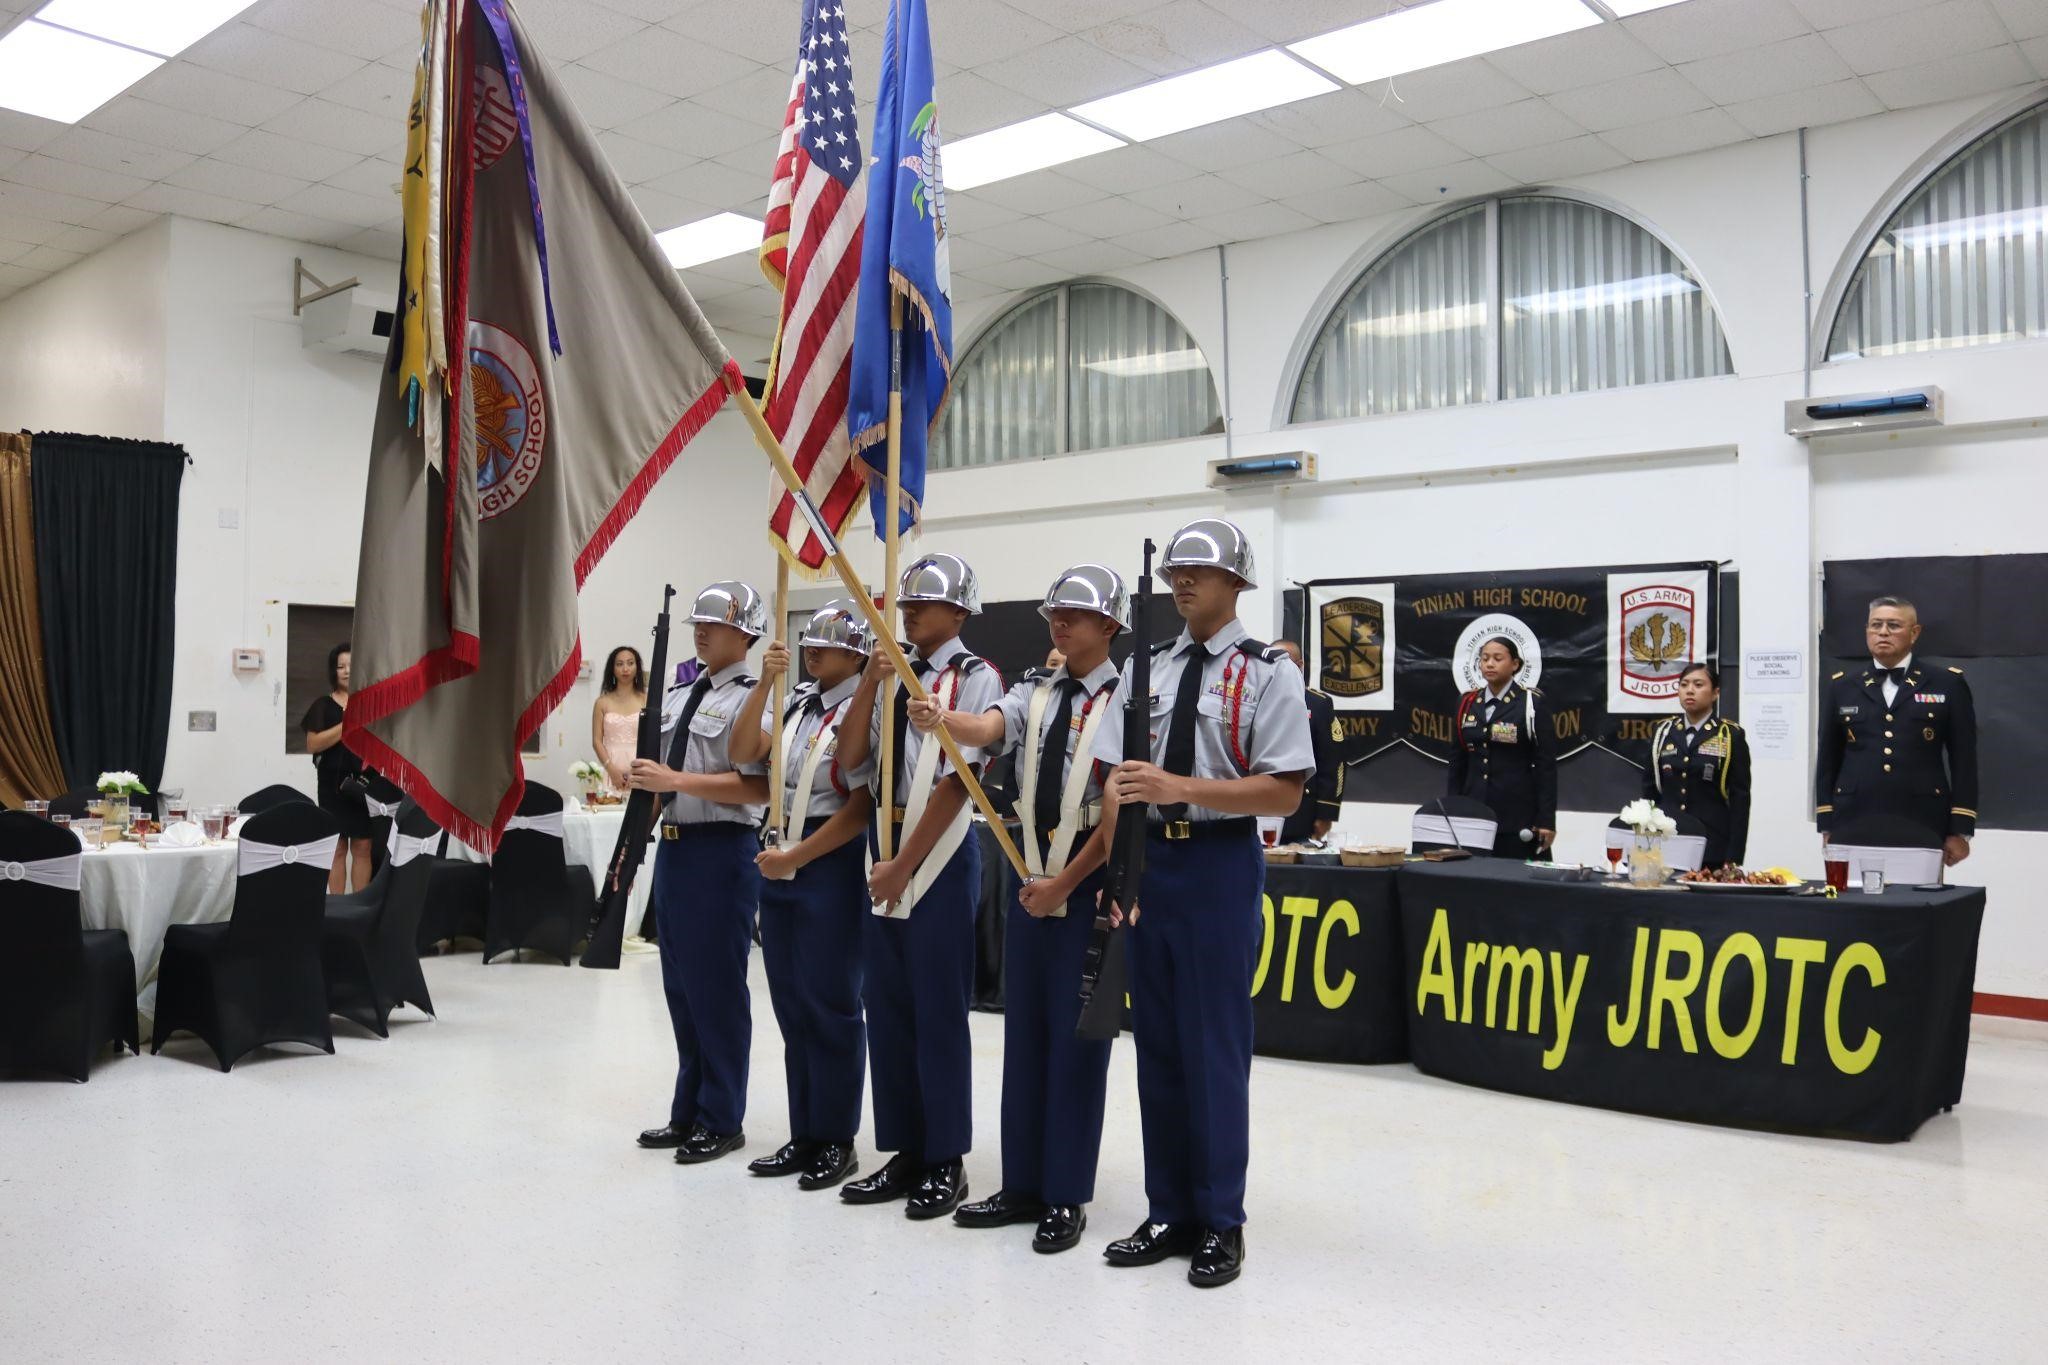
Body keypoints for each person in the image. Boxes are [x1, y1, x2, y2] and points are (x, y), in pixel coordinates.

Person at [1089, 518, 1312, 1290]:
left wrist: (1183, 788)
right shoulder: (1141, 667)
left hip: (1218, 863)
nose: (1184, 580)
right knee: (1157, 1045)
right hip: (1152, 864)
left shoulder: (1264, 673)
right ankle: (1168, 1208)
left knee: (1213, 1046)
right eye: (1177, 569)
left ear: (1238, 584)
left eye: (1202, 570)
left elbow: (1283, 787)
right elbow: (1114, 780)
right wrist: (1120, 876)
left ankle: (1221, 1219)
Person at [910, 564, 1127, 1255]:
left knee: (1074, 1046)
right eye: (1054, 614)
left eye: (1075, 615)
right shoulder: (1034, 687)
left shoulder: (1126, 699)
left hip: (1083, 889)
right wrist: (947, 718)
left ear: (1110, 625)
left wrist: (1066, 885)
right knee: (1025, 1040)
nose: (1060, 624)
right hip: (1029, 881)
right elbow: (989, 725)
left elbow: (1121, 813)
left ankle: (1065, 1193)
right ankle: (1023, 1181)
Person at [834, 551, 1002, 1220]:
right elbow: (850, 762)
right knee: (889, 1008)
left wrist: (904, 864)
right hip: (884, 840)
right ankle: (904, 1147)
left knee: (937, 1011)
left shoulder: (976, 677)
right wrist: (872, 684)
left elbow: (964, 779)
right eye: (905, 604)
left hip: (939, 851)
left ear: (958, 611)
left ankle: (945, 1158)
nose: (908, 613)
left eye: (923, 604)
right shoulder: (891, 672)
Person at [727, 601, 876, 1193]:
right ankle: (805, 1130)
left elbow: (860, 806)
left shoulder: (863, 711)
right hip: (779, 851)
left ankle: (837, 1138)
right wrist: (764, 681)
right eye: (810, 642)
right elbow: (743, 753)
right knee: (790, 1002)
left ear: (859, 654)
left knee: (831, 1003)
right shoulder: (797, 703)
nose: (813, 650)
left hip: (826, 859)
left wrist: (798, 857)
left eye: (829, 643)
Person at [629, 582, 770, 1165]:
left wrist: (676, 783)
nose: (702, 631)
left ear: (747, 635)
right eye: (697, 624)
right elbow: (664, 771)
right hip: (676, 848)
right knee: (682, 992)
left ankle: (722, 1117)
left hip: (721, 850)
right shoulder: (681, 693)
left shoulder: (753, 699)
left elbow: (758, 786)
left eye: (715, 624)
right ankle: (687, 1111)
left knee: (717, 991)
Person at [1816, 595, 1977, 866]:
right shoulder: (1842, 687)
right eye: (1875, 625)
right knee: (1853, 904)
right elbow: (1827, 760)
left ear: (1914, 633)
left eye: (1893, 625)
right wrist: (1826, 822)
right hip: (1854, 816)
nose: (1882, 632)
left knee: (1918, 903)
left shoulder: (1946, 683)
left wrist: (1960, 829)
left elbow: (1964, 761)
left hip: (1923, 818)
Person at [1446, 637, 1557, 858]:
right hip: (1474, 809)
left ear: (1515, 664)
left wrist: (1546, 820)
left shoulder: (1531, 703)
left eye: (1498, 658)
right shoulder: (1467, 702)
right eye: (1484, 658)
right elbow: (1457, 762)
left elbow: (1546, 765)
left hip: (1517, 812)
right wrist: (1452, 809)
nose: (1489, 664)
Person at [1643, 662, 1751, 868]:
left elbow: (1740, 800)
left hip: (1712, 844)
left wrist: (1734, 856)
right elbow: (1650, 791)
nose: (1690, 691)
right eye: (1684, 685)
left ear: (1715, 693)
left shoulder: (1729, 734)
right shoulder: (1663, 731)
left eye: (1698, 684)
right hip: (1667, 842)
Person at [301, 641, 374, 893]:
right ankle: (338, 908)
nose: (346, 670)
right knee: (337, 848)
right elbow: (313, 744)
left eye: (351, 665)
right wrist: (348, 723)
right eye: (340, 666)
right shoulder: (323, 705)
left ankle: (361, 905)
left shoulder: (371, 703)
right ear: (334, 671)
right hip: (332, 786)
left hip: (364, 785)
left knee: (363, 846)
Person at [1273, 639, 1343, 844]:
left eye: (1286, 664)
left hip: (1303, 811)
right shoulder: (1254, 701)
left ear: (1300, 666)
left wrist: (1327, 812)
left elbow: (1332, 760)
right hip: (1260, 807)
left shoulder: (1317, 704)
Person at [591, 645, 647, 794]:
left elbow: (652, 739)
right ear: (613, 669)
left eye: (630, 663)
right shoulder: (602, 702)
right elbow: (596, 741)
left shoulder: (646, 701)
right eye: (619, 664)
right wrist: (611, 770)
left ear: (637, 668)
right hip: (611, 770)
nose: (625, 669)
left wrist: (638, 770)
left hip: (639, 771)